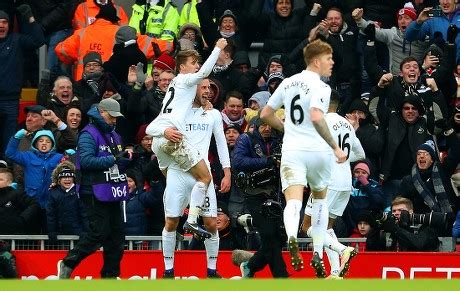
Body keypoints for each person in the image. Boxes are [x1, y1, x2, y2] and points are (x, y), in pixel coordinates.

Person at [260, 39, 346, 273]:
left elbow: (265, 113)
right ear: (317, 61)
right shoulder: (322, 87)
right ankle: (317, 251)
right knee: (319, 200)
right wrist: (335, 146)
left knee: (294, 201)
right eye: (329, 59)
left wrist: (286, 128)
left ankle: (291, 237)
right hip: (318, 151)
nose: (332, 63)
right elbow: (317, 116)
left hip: (293, 150)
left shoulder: (287, 82)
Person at [146, 38, 227, 238]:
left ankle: (180, 203)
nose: (197, 66)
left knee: (172, 175)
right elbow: (204, 73)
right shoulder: (184, 79)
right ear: (182, 67)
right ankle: (191, 221)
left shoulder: (175, 85)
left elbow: (150, 127)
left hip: (160, 140)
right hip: (173, 139)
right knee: (205, 177)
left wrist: (204, 104)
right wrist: (217, 48)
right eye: (193, 63)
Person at [149, 78, 230, 278]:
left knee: (211, 223)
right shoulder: (177, 113)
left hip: (204, 174)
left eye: (209, 88)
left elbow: (221, 143)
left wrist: (227, 171)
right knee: (171, 222)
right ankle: (168, 271)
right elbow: (158, 136)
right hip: (179, 172)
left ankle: (212, 270)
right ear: (192, 90)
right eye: (203, 87)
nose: (207, 91)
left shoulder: (213, 114)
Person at [57, 98, 131, 279]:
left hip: (112, 191)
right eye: (112, 116)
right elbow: (87, 161)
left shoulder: (115, 135)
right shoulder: (88, 134)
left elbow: (115, 161)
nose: (114, 120)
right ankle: (68, 263)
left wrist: (126, 160)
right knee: (99, 233)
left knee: (117, 238)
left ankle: (110, 277)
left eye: (116, 117)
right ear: (102, 112)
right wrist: (114, 159)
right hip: (93, 191)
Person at [300, 91, 364, 278]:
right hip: (345, 182)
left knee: (307, 226)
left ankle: (343, 248)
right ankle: (336, 272)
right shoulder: (347, 124)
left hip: (327, 182)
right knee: (326, 228)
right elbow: (360, 154)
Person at [232, 116, 287, 278]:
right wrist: (268, 161)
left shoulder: (279, 141)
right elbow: (238, 162)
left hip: (276, 193)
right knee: (270, 235)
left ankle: (250, 265)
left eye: (270, 125)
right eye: (263, 125)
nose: (267, 128)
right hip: (254, 193)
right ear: (255, 126)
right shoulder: (246, 139)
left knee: (280, 237)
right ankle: (282, 278)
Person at [0, 5, 45, 155]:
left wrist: (30, 17)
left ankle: (6, 170)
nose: (1, 25)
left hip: (11, 101)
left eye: (5, 22)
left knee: (9, 140)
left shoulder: (16, 40)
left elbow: (39, 40)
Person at [47, 161, 88, 245]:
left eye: (70, 176)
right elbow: (51, 215)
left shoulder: (79, 192)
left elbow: (84, 214)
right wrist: (52, 232)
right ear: (59, 180)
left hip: (78, 233)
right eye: (64, 177)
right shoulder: (53, 193)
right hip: (60, 235)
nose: (67, 179)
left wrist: (86, 231)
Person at [0, 168, 40, 234]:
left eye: (0, 179)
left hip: (13, 237)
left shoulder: (17, 194)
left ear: (9, 182)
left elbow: (34, 204)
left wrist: (22, 219)